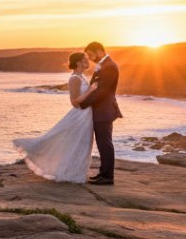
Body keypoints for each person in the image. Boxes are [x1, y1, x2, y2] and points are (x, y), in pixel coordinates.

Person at [12, 52, 96, 183]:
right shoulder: (74, 78)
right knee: (76, 143)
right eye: (85, 59)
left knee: (82, 144)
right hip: (79, 116)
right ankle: (71, 174)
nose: (88, 61)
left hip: (86, 116)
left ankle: (78, 173)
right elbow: (74, 102)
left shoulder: (82, 77)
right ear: (78, 62)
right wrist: (91, 90)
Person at [76, 41, 121, 185]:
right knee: (102, 143)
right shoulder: (104, 65)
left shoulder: (110, 67)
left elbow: (102, 91)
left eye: (90, 54)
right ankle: (103, 173)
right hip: (101, 110)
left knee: (105, 144)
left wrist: (83, 104)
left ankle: (108, 177)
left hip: (104, 111)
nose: (89, 58)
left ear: (99, 51)